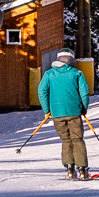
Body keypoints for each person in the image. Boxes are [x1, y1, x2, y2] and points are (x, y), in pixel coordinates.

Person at [37, 50, 92, 180]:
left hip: (57, 113)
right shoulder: (77, 73)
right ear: (71, 59)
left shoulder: (49, 74)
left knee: (66, 140)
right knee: (77, 139)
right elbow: (84, 92)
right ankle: (82, 169)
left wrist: (47, 110)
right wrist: (83, 108)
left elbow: (41, 92)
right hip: (74, 112)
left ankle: (69, 168)